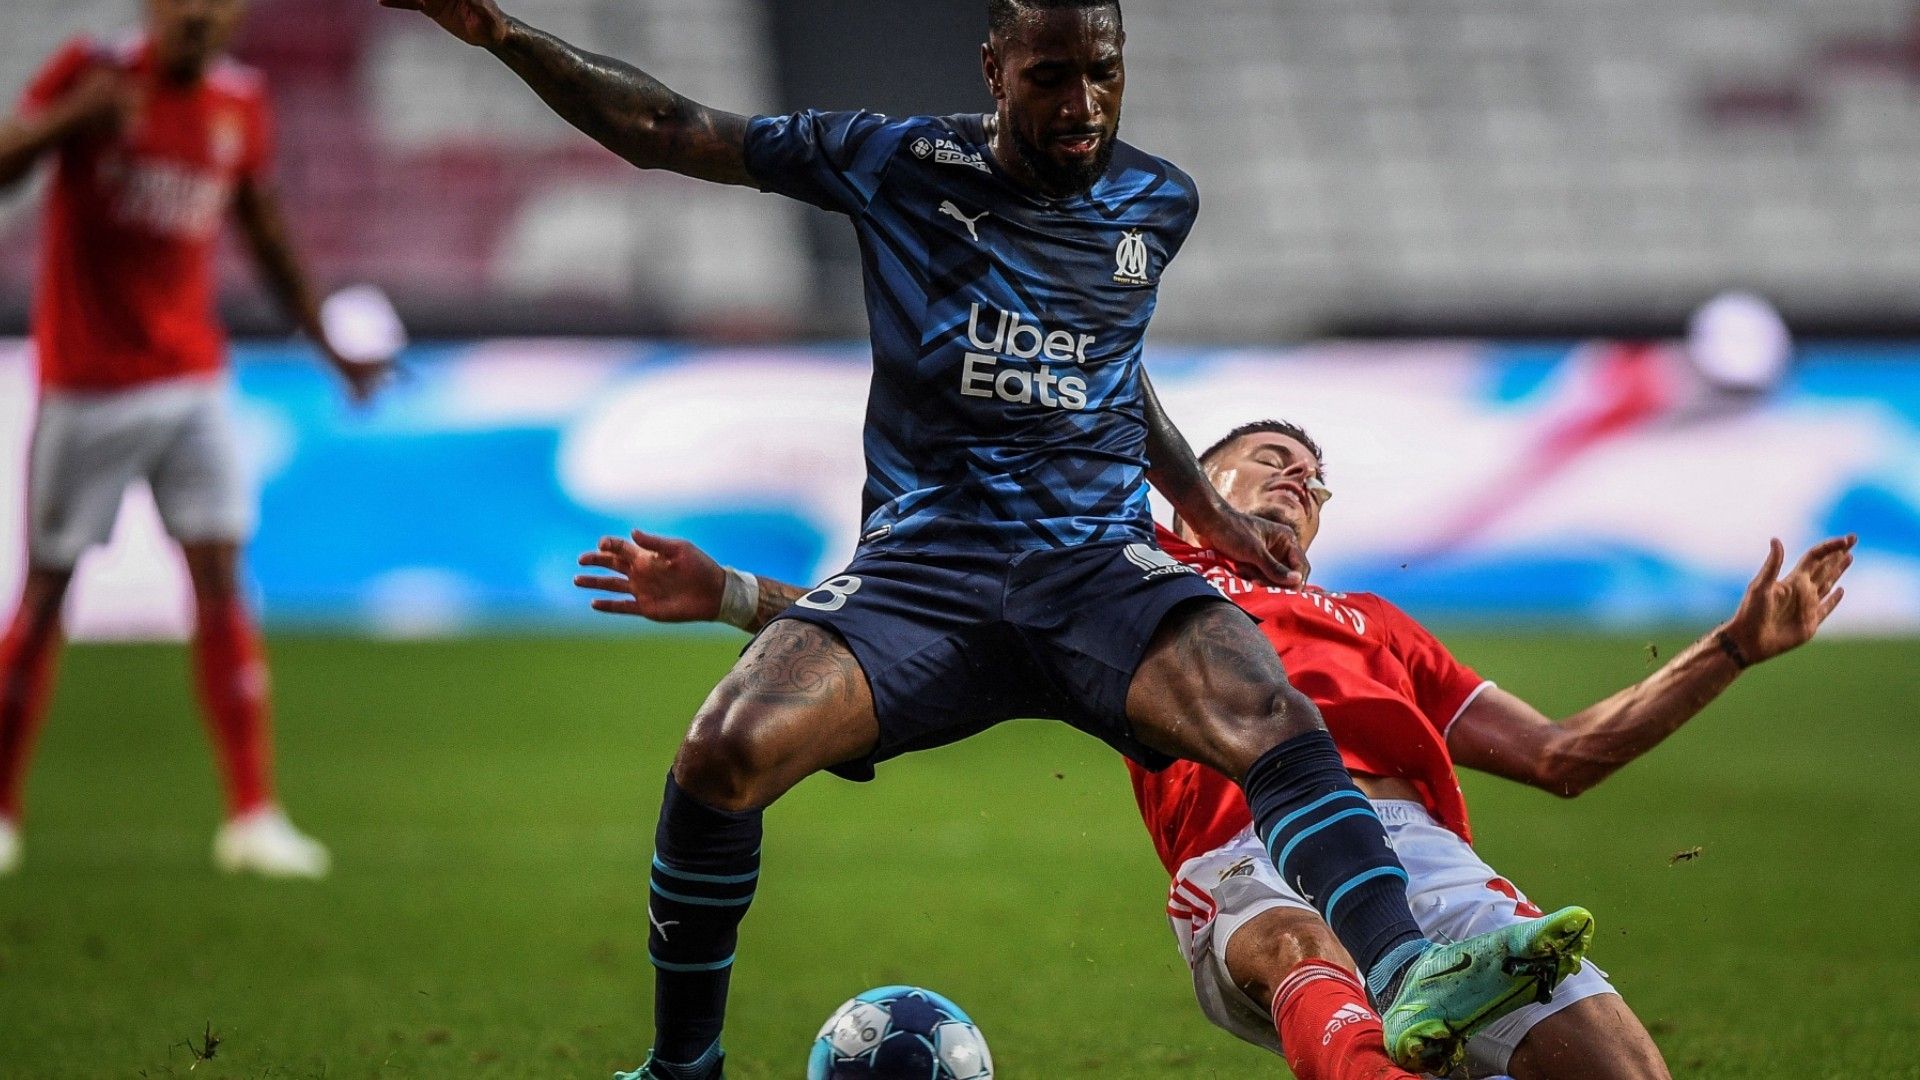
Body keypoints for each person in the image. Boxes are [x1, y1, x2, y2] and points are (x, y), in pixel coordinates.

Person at [395, 0, 1590, 1074]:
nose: (1082, 105)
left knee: (1272, 714)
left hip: (1097, 568)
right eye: (1051, 77)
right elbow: (669, 127)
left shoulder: (1156, 201)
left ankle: (1404, 969)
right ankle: (680, 1069)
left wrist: (1209, 507)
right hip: (929, 566)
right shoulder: (893, 162)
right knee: (722, 753)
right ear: (995, 71)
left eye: (1103, 74)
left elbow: (1112, 375)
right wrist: (504, 34)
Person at [583, 418, 1852, 1080]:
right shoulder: (1128, 584)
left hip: (1420, 857)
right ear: (1199, 480)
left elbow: (1570, 753)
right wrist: (746, 598)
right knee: (1287, 943)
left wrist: (1733, 649)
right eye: (1268, 459)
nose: (1296, 479)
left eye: (1313, 475)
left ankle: (1432, 995)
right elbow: (929, 624)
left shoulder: (1377, 626)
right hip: (1243, 853)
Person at [0, 0, 387, 878]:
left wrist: (330, 345)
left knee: (219, 578)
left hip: (191, 381)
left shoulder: (240, 102)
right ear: (154, 5)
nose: (203, 17)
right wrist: (70, 119)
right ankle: (3, 811)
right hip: (86, 384)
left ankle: (252, 815)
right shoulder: (90, 71)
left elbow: (263, 227)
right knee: (48, 591)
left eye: (221, 4)